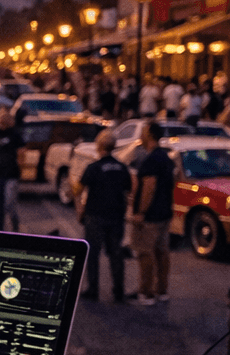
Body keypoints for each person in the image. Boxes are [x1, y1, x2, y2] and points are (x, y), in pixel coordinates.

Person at [73, 129, 132, 302]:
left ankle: (93, 289)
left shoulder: (93, 168)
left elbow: (78, 190)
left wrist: (80, 210)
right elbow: (128, 191)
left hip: (95, 215)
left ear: (99, 146)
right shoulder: (122, 168)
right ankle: (118, 291)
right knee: (116, 254)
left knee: (93, 254)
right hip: (116, 216)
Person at [129, 119, 175, 305]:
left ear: (149, 134)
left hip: (150, 217)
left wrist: (140, 212)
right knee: (162, 253)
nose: (140, 134)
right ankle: (162, 290)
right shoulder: (165, 158)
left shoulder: (151, 160)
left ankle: (146, 293)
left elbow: (149, 187)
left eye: (143, 131)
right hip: (164, 213)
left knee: (145, 253)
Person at [0, 108, 24, 233]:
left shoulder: (15, 134)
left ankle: (15, 228)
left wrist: (20, 168)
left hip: (11, 173)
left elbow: (21, 152)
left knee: (9, 203)